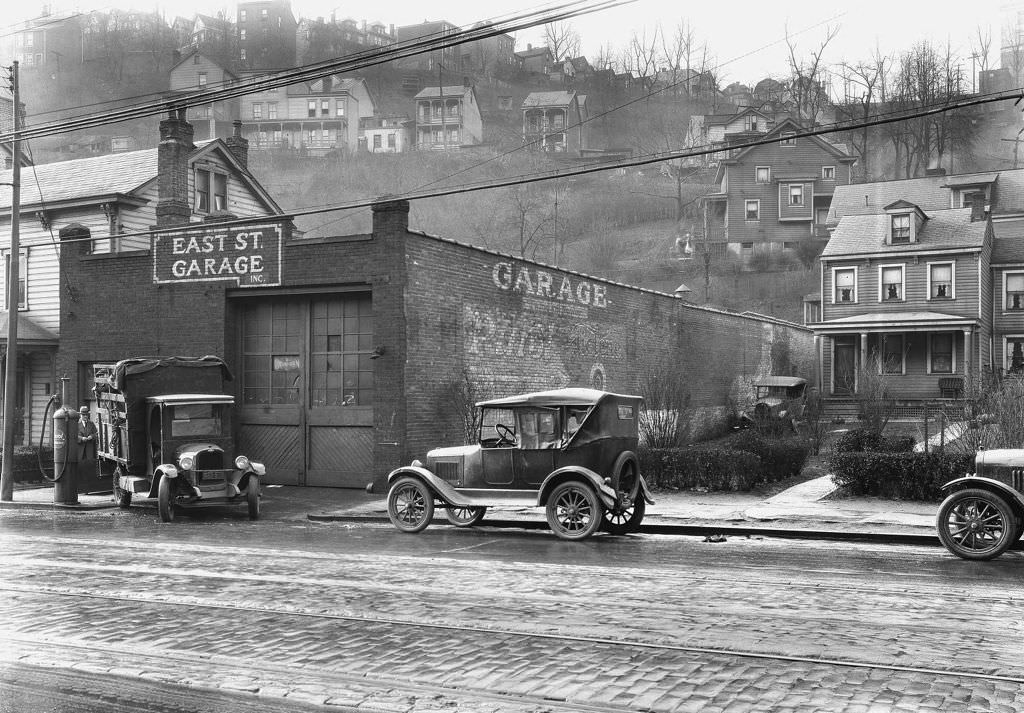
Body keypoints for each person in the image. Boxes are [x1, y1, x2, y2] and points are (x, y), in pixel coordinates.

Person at [77, 406, 98, 472]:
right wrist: (81, 438)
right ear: (80, 415)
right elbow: (73, 436)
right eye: (83, 415)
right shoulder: (76, 424)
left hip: (89, 449)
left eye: (86, 415)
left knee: (90, 466)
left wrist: (91, 436)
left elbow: (96, 434)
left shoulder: (91, 424)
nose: (85, 416)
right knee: (80, 466)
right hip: (80, 450)